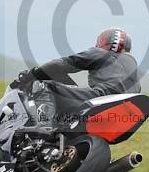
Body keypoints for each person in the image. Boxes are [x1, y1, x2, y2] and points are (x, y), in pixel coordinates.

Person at [10, 27, 140, 127]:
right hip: (126, 115)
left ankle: (43, 127)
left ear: (103, 42)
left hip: (102, 100)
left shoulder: (100, 53)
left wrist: (30, 75)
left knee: (46, 87)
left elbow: (57, 65)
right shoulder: (133, 65)